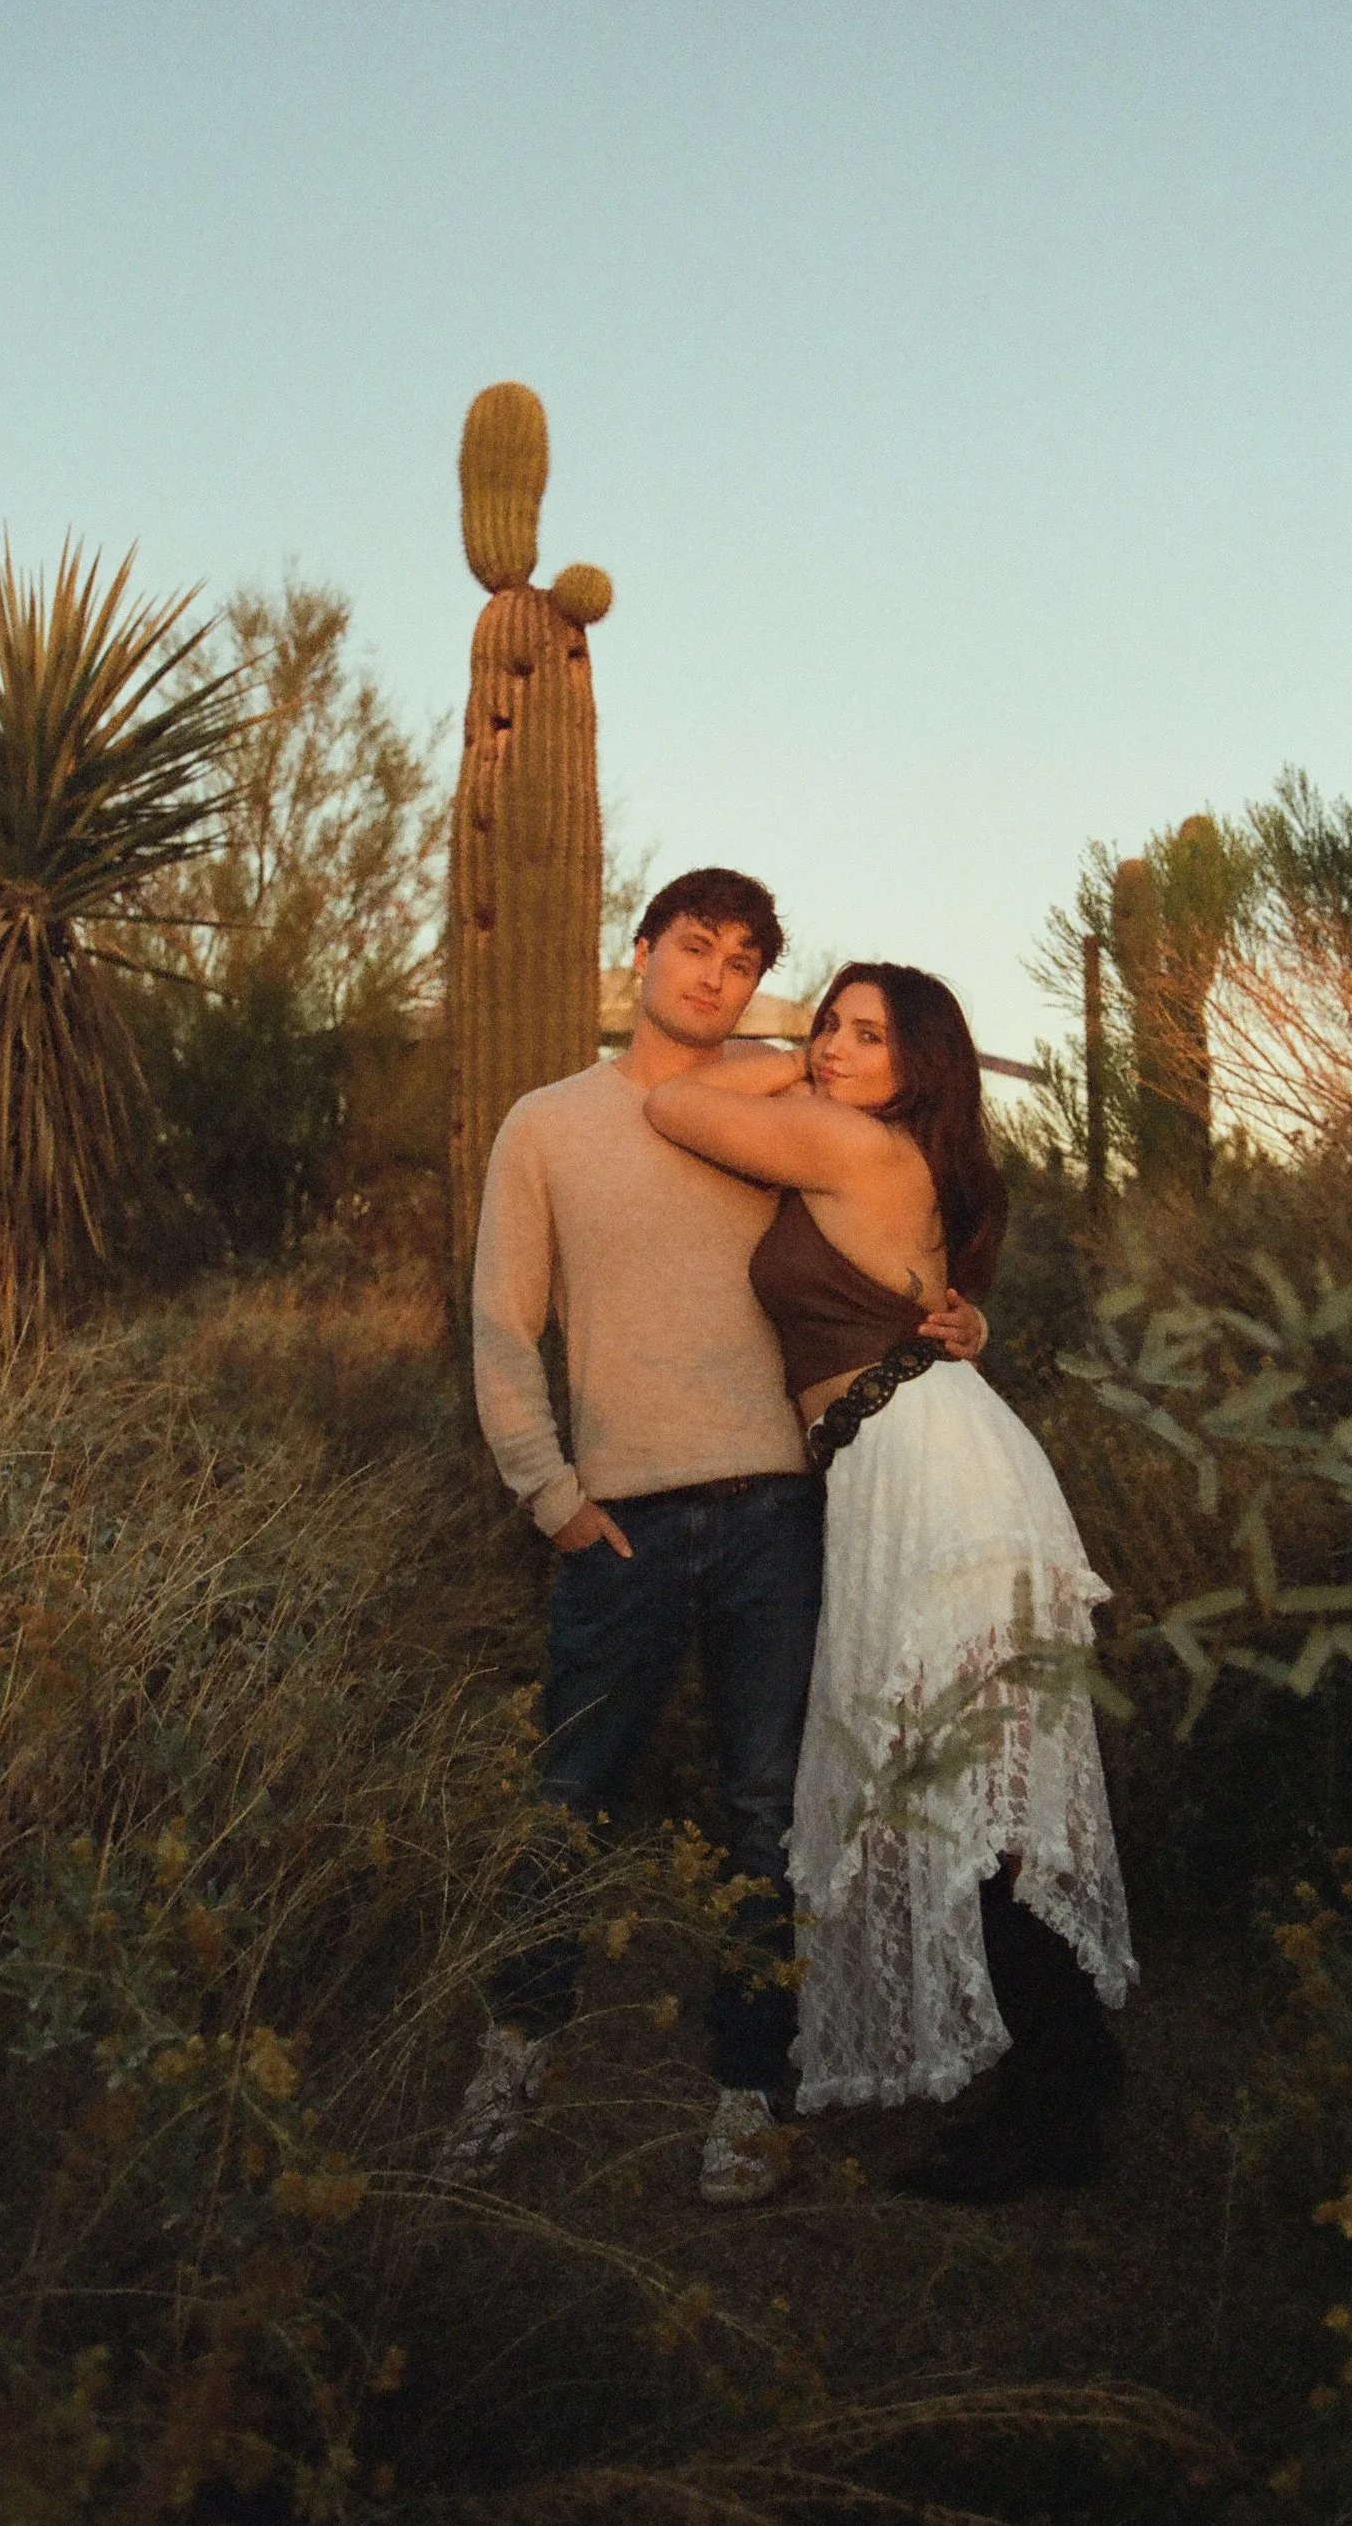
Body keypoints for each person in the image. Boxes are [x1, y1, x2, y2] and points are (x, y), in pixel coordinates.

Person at [448, 871, 987, 2204]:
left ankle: (749, 2089)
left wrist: (960, 1318)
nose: (712, 976)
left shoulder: (799, 1112)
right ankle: (514, 2056)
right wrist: (548, 1490)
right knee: (567, 1799)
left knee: (765, 1813)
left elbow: (892, 1246)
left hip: (777, 1510)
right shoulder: (547, 1123)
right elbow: (504, 1321)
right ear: (639, 949)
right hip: (615, 1516)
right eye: (694, 948)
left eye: (741, 964)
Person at [645, 962, 1135, 2202]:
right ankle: (1062, 2083)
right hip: (912, 1469)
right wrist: (805, 1056)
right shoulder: (888, 1151)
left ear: (919, 1066)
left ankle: (1059, 2105)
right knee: (974, 1799)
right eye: (828, 1024)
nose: (832, 1048)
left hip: (936, 1486)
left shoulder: (848, 1143)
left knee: (976, 1800)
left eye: (867, 1035)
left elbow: (673, 1108)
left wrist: (777, 1056)